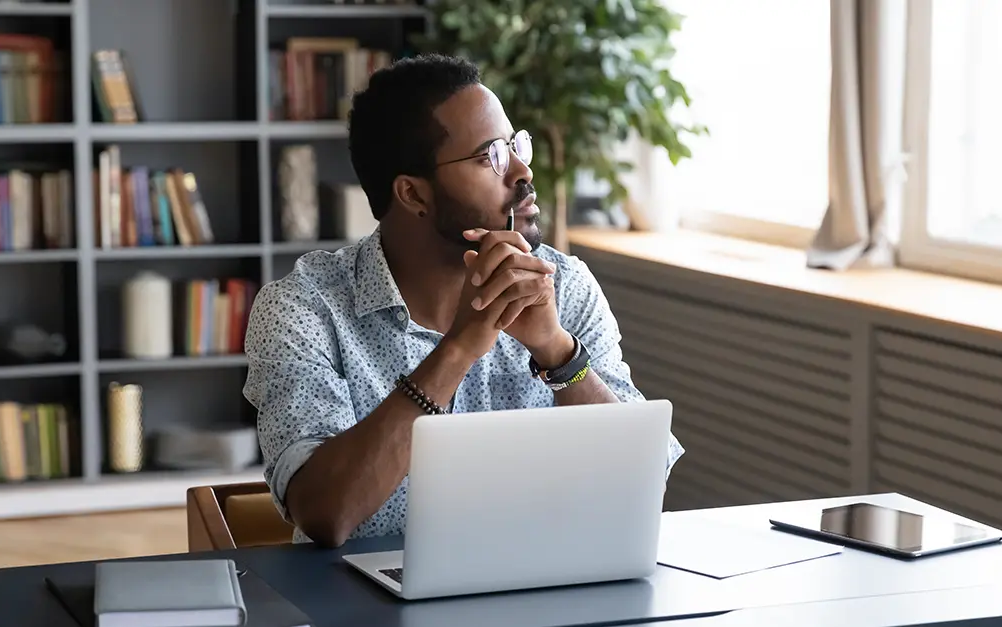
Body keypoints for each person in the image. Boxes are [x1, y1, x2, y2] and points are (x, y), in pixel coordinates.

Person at [243, 54, 684, 548]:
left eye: (517, 146)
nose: (521, 171)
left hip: (547, 594)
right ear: (413, 194)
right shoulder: (303, 308)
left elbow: (646, 485)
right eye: (489, 156)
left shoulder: (565, 286)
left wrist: (558, 353)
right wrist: (457, 349)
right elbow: (327, 513)